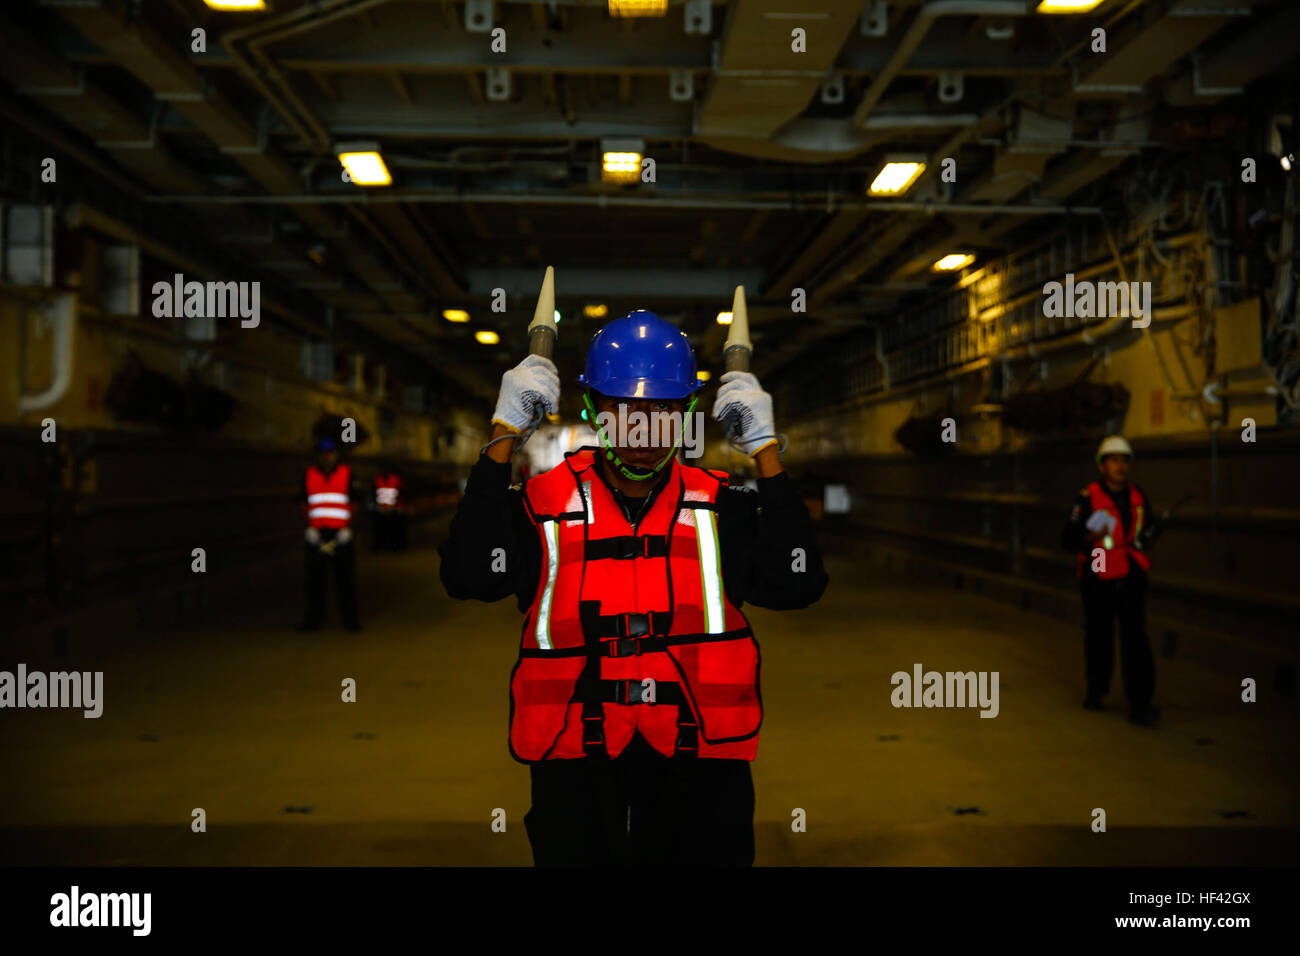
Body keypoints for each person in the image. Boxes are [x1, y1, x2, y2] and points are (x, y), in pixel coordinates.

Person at [438, 310, 828, 866]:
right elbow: (469, 576)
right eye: (626, 410)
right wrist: (502, 437)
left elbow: (799, 583)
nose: (645, 430)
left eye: (664, 411)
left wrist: (767, 454)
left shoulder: (723, 508)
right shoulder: (542, 505)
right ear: (596, 411)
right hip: (574, 764)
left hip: (700, 768)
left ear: (686, 413)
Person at [1061, 435, 1160, 726]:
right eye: (1114, 460)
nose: (1120, 466)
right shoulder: (1087, 498)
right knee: (1099, 633)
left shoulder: (1138, 497)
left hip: (1130, 571)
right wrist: (1089, 536)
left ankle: (1140, 702)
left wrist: (1146, 539)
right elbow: (1068, 538)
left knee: (1135, 638)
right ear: (1102, 466)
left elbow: (1148, 528)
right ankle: (1096, 689)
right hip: (1100, 569)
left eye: (1124, 460)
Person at [300, 438, 361, 632]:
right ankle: (313, 620)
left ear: (336, 455)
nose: (327, 456)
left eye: (331, 453)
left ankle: (350, 621)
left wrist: (347, 527)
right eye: (323, 453)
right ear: (318, 456)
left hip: (340, 536)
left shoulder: (347, 474)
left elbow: (354, 502)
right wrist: (308, 527)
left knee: (345, 580)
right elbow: (304, 502)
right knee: (314, 581)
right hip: (317, 535)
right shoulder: (308, 475)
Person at [371, 463, 406, 552]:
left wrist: (399, 507)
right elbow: (374, 492)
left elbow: (401, 492)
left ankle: (396, 547)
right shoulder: (378, 479)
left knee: (395, 530)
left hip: (394, 510)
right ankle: (381, 546)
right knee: (380, 530)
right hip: (381, 509)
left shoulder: (396, 479)